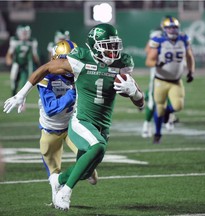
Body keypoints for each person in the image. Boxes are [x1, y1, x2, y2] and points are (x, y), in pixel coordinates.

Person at [3, 23, 144, 211]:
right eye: (108, 46)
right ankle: (65, 192)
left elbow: (140, 103)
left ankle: (58, 180)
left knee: (85, 171)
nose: (113, 50)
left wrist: (134, 93)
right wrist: (21, 94)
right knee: (98, 146)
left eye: (114, 45)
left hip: (102, 124)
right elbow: (46, 69)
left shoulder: (122, 64)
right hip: (76, 122)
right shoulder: (79, 61)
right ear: (95, 46)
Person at [38, 40, 98, 204]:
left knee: (90, 161)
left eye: (71, 59)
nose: (68, 64)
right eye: (64, 60)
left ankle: (87, 170)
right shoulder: (46, 77)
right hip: (50, 130)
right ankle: (59, 198)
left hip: (73, 126)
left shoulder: (79, 73)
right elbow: (50, 109)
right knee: (54, 176)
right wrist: (71, 96)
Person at [145, 16, 195, 144]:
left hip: (176, 80)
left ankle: (168, 113)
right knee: (159, 108)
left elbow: (189, 56)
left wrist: (191, 71)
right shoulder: (159, 40)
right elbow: (149, 61)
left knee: (178, 106)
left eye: (174, 27)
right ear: (164, 28)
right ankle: (157, 133)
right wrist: (157, 63)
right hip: (161, 80)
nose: (172, 30)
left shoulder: (184, 39)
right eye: (169, 28)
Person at [141, 25, 179, 138]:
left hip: (171, 74)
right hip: (158, 74)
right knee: (153, 102)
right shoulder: (157, 36)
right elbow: (148, 51)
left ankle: (168, 119)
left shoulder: (173, 39)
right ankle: (146, 125)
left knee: (172, 97)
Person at [5, 24, 40, 96]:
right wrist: (8, 59)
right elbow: (10, 52)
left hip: (27, 65)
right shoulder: (14, 40)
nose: (25, 34)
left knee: (24, 83)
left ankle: (21, 99)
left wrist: (38, 64)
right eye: (23, 32)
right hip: (17, 63)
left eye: (26, 32)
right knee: (14, 80)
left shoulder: (32, 41)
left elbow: (34, 55)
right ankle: (13, 95)